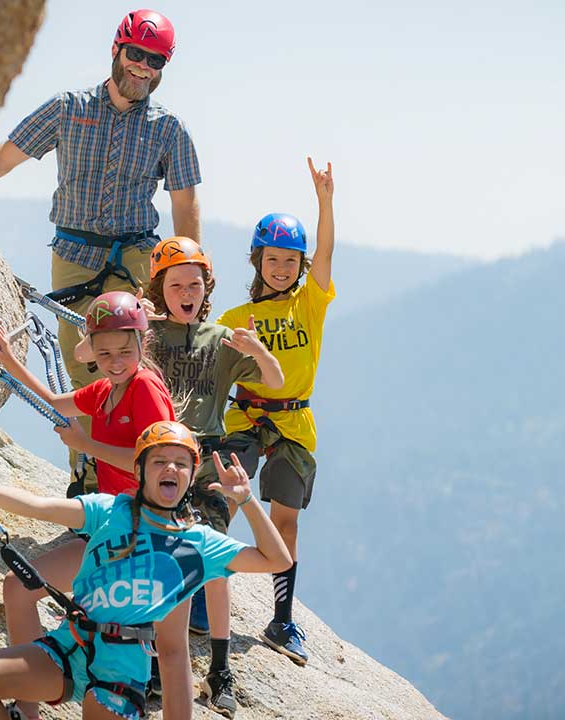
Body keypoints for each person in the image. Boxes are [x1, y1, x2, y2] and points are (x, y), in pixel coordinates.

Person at [0, 8, 202, 492]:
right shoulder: (67, 108)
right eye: (136, 55)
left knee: (133, 368)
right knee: (82, 370)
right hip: (74, 254)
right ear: (116, 50)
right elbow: (3, 158)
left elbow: (186, 206)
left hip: (135, 258)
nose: (143, 67)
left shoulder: (169, 129)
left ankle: (147, 486)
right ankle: (86, 482)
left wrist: (184, 276)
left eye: (155, 60)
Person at [0, 421, 292, 720]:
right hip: (70, 644)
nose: (170, 468)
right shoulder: (110, 511)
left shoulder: (199, 542)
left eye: (181, 464)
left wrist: (245, 500)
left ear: (191, 475)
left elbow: (277, 560)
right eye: (160, 461)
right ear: (139, 470)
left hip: (121, 669)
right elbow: (40, 507)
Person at [0, 291, 183, 719]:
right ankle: (27, 708)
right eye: (105, 351)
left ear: (142, 346)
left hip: (137, 536)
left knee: (22, 589)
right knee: (18, 587)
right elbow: (56, 405)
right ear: (91, 349)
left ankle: (32, 704)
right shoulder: (110, 388)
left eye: (125, 352)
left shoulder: (144, 388)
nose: (114, 361)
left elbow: (157, 460)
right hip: (111, 527)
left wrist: (86, 444)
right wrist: (8, 361)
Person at [144, 236, 285, 715]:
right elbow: (89, 355)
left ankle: (220, 669)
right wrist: (135, 320)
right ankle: (153, 665)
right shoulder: (149, 336)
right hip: (161, 459)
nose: (187, 292)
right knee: (161, 555)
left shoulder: (220, 341)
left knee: (215, 560)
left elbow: (275, 381)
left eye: (195, 284)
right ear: (160, 288)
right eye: (176, 284)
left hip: (207, 464)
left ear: (208, 289)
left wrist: (258, 351)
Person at [215, 158, 335, 666]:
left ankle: (282, 620)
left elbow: (326, 253)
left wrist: (325, 202)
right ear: (257, 261)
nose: (282, 268)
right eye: (273, 259)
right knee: (216, 502)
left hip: (292, 422)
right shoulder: (234, 319)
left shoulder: (309, 302)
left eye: (291, 260)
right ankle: (204, 599)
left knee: (285, 522)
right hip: (244, 417)